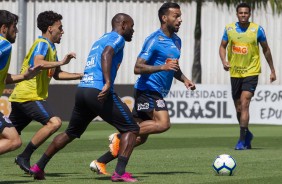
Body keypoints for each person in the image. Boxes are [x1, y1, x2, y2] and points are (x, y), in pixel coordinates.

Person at [29, 13, 140, 182]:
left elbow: (102, 54)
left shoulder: (100, 40)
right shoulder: (117, 38)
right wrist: (108, 82)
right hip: (98, 90)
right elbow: (107, 54)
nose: (133, 30)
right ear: (123, 25)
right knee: (132, 129)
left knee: (70, 133)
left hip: (83, 90)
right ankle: (119, 172)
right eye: (131, 26)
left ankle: (39, 166)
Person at [90, 2, 196, 175]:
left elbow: (172, 67)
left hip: (157, 91)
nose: (180, 20)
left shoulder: (177, 41)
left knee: (139, 138)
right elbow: (137, 68)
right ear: (164, 18)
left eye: (180, 16)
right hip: (147, 90)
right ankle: (118, 136)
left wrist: (184, 79)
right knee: (163, 124)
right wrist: (161, 67)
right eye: (176, 16)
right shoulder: (154, 39)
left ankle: (100, 162)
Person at [9, 10, 83, 172]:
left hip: (22, 96)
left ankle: (23, 156)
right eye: (60, 27)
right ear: (50, 28)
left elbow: (57, 75)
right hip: (28, 95)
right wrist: (62, 61)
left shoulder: (50, 47)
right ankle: (24, 156)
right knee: (54, 122)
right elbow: (38, 63)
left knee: (7, 138)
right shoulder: (42, 44)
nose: (62, 31)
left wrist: (81, 75)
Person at [219, 3, 276, 150]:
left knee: (245, 103)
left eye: (246, 13)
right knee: (238, 108)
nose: (243, 15)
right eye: (241, 13)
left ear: (249, 14)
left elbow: (266, 50)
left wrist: (272, 70)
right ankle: (247, 134)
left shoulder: (257, 30)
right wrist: (224, 61)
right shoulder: (229, 29)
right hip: (235, 73)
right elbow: (222, 46)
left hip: (251, 72)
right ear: (237, 14)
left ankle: (242, 141)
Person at [0, 10, 42, 155]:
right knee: (13, 140)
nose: (16, 30)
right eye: (14, 27)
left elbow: (4, 78)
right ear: (4, 28)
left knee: (13, 139)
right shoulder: (4, 44)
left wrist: (25, 76)